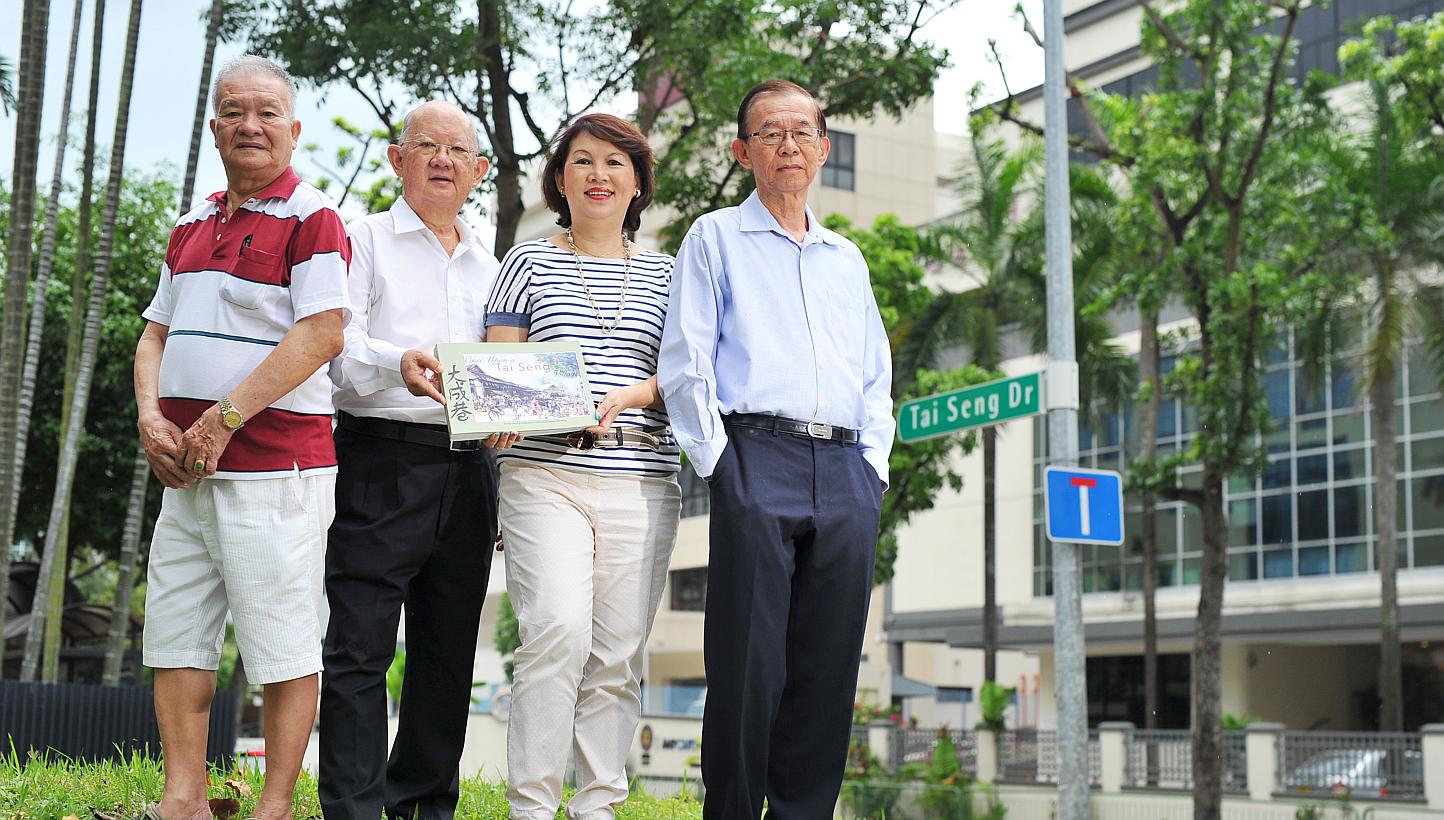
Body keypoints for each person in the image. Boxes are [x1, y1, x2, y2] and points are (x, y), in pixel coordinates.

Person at [657, 79, 895, 820]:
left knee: (827, 668)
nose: (787, 144)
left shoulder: (846, 259)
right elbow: (685, 362)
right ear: (743, 150)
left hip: (847, 472)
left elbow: (875, 374)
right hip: (757, 459)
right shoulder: (714, 237)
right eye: (769, 133)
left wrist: (873, 470)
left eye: (801, 131)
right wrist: (724, 468)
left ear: (823, 147)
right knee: (749, 664)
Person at [133, 54, 349, 820]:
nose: (248, 124)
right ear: (215, 125)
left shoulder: (313, 216)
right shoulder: (190, 222)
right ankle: (182, 799)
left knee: (283, 643)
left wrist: (223, 418)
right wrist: (151, 417)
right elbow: (154, 333)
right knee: (178, 636)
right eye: (233, 111)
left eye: (265, 112)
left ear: (293, 128)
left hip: (275, 470)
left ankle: (275, 808)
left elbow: (322, 333)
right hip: (187, 471)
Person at [483, 113, 681, 820]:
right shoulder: (527, 261)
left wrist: (632, 392)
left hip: (644, 476)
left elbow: (685, 375)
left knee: (618, 655)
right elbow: (496, 368)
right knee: (556, 633)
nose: (600, 175)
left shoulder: (668, 272)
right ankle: (532, 807)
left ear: (638, 182)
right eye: (584, 162)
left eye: (616, 163)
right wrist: (505, 408)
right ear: (560, 179)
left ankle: (597, 804)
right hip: (545, 475)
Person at [318, 100, 499, 820]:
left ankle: (424, 805)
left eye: (458, 150)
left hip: (472, 468)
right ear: (398, 159)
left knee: (447, 650)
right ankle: (354, 808)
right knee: (359, 645)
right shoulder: (362, 239)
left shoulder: (495, 262)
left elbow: (509, 366)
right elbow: (335, 344)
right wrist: (402, 363)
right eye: (426, 145)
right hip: (380, 456)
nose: (442, 160)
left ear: (479, 171)